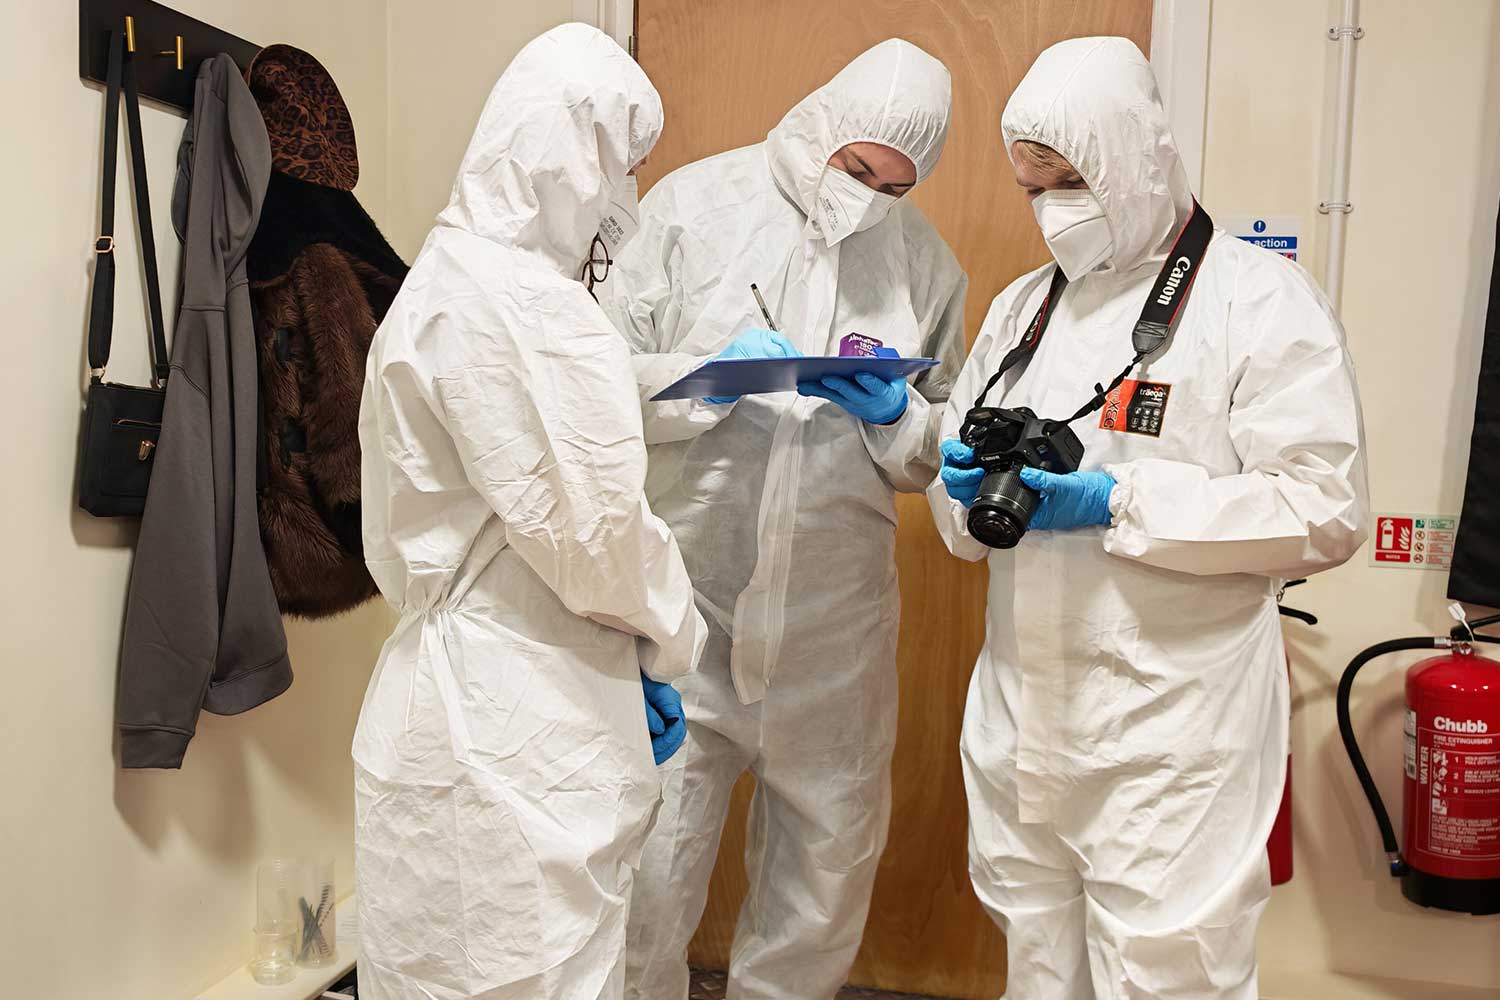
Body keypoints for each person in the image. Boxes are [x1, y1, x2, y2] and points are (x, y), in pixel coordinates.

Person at [929, 37, 1368, 999]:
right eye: (1032, 187)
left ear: (1134, 158)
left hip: (1173, 730)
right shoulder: (1020, 312)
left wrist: (1119, 498)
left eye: (1072, 180)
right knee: (1038, 965)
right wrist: (957, 494)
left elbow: (1325, 511)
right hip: (1024, 717)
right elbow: (961, 516)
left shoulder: (1257, 302)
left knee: (1169, 976)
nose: (1053, 209)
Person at [599, 38, 968, 1000]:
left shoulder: (924, 265)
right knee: (652, 859)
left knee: (827, 863)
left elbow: (942, 453)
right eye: (855, 168)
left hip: (831, 627)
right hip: (687, 603)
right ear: (818, 125)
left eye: (894, 185)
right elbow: (589, 388)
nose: (868, 195)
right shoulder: (692, 206)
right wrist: (707, 377)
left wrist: (898, 416)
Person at [353, 24, 707, 1000]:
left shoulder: (435, 283)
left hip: (433, 707)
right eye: (624, 166)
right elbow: (599, 541)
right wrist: (675, 636)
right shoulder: (534, 312)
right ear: (572, 154)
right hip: (523, 742)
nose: (626, 196)